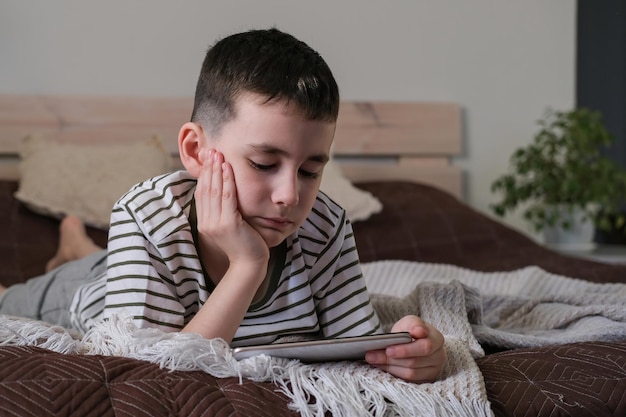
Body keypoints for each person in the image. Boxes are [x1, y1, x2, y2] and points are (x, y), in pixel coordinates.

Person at [0, 28, 445, 382]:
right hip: (87, 294)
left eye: (310, 171)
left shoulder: (325, 227)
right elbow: (148, 375)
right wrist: (248, 265)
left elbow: (356, 347)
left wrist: (406, 355)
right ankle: (74, 248)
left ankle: (76, 245)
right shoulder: (144, 216)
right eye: (264, 162)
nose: (290, 195)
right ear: (195, 152)